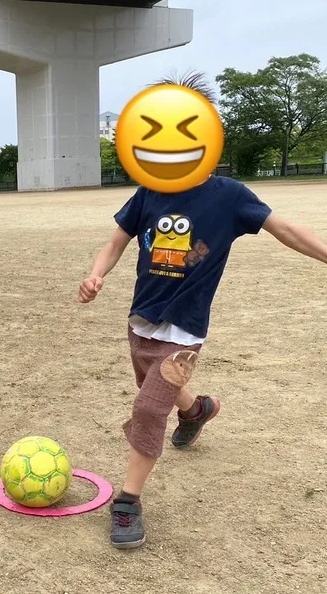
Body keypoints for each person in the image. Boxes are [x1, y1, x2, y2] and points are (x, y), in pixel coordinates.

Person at [79, 75, 327, 550]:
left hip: (187, 328)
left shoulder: (230, 196)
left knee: (149, 406)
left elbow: (286, 229)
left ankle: (128, 502)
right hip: (142, 321)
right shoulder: (148, 193)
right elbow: (116, 241)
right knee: (156, 387)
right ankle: (197, 411)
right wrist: (96, 274)